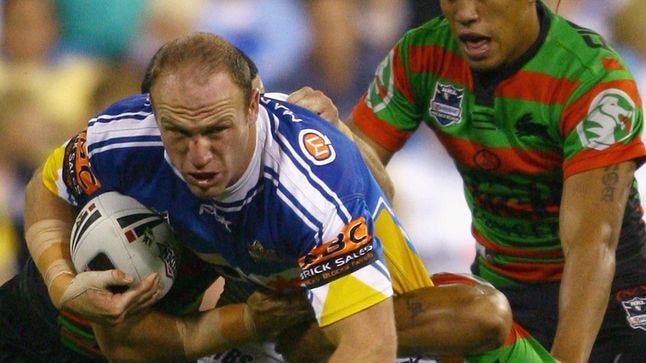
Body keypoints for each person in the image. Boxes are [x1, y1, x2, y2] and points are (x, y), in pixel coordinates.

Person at [16, 32, 555, 362]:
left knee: (481, 313)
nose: (198, 154)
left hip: (336, 320)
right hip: (264, 316)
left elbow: (368, 345)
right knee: (114, 335)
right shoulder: (125, 136)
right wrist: (63, 283)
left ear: (255, 105)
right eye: (179, 134)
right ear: (154, 115)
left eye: (216, 131)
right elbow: (46, 187)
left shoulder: (307, 186)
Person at [290, 0, 646, 362]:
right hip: (501, 296)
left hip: (610, 297)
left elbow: (592, 244)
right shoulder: (422, 53)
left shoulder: (595, 80)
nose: (465, 12)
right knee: (468, 313)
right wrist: (337, 142)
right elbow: (354, 189)